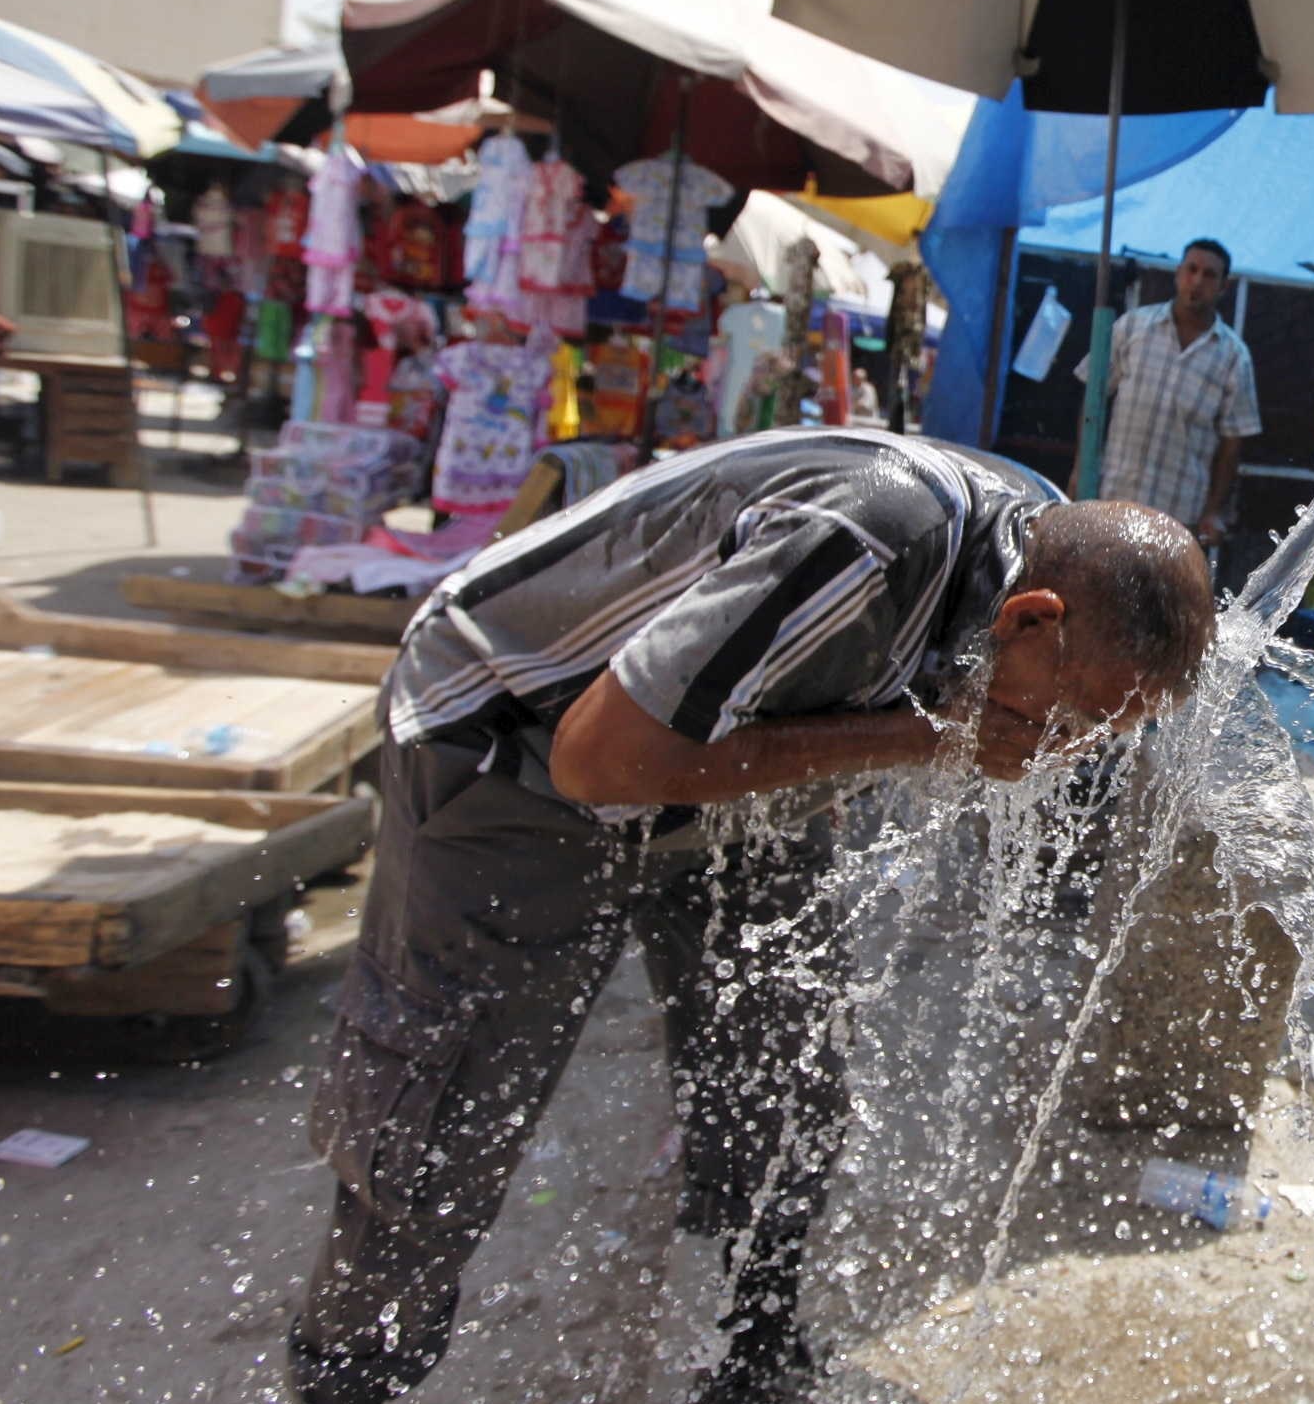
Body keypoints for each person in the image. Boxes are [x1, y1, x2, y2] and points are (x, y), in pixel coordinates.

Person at [290, 428, 1217, 1404]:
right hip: (516, 743)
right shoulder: (871, 537)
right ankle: (349, 1374)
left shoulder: (1047, 562)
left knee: (785, 1069)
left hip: (726, 753)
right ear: (1030, 618)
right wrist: (920, 735)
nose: (1062, 750)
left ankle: (756, 1349)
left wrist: (898, 737)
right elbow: (598, 761)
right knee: (449, 1116)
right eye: (1069, 719)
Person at [1080, 237, 1261, 548]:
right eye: (1191, 270)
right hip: (1113, 497)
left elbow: (1233, 442)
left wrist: (1213, 510)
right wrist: (1081, 471)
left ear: (1223, 287)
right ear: (1178, 274)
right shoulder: (1132, 327)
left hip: (1178, 513)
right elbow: (1092, 399)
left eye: (1209, 275)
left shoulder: (1233, 356)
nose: (1197, 281)